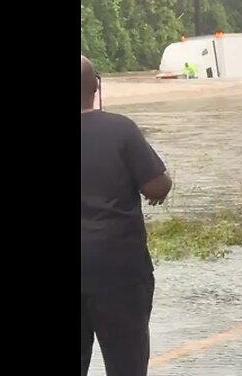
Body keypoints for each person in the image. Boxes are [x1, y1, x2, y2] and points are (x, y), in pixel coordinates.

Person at [81, 55, 172, 376]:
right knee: (126, 365)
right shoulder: (121, 130)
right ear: (96, 87)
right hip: (119, 272)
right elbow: (158, 186)